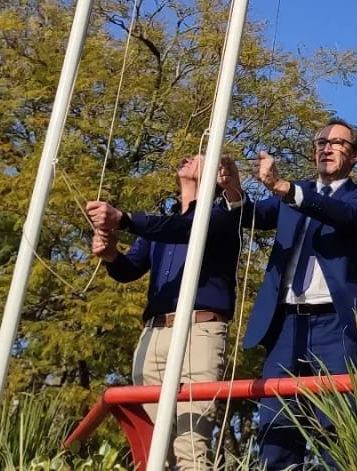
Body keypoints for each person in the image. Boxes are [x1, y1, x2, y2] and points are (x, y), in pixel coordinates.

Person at [240, 117, 357, 471]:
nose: (327, 148)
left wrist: (285, 187)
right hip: (285, 326)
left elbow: (349, 216)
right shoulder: (289, 197)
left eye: (337, 143)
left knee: (337, 433)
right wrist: (232, 190)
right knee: (276, 432)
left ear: (355, 155)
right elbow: (251, 215)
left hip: (336, 326)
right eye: (321, 142)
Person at [86, 154, 244, 471]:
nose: (188, 158)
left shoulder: (223, 216)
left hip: (200, 333)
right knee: (153, 448)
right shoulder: (163, 222)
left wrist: (123, 218)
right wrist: (111, 254)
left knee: (191, 447)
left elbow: (185, 229)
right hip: (154, 334)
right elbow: (130, 269)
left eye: (200, 156)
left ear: (217, 175)